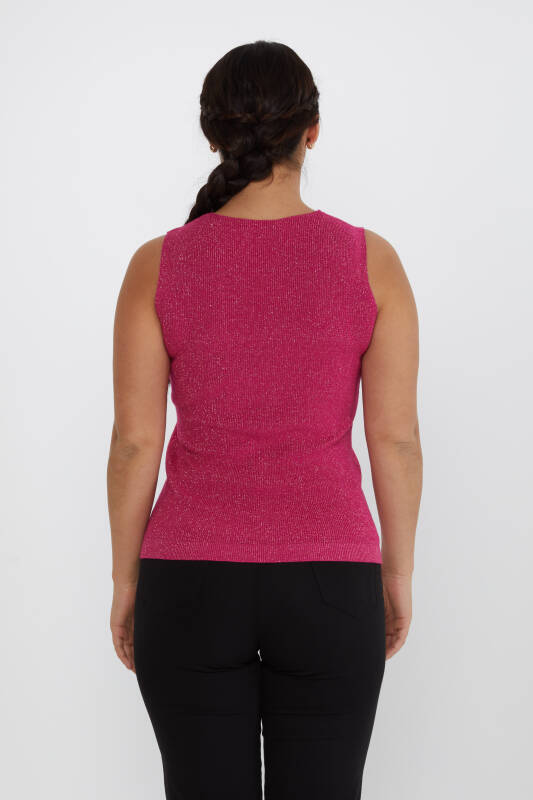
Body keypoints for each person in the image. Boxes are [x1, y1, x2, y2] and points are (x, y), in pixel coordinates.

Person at [107, 39, 422, 800]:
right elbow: (395, 438)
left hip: (188, 581)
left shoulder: (158, 263)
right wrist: (397, 573)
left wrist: (125, 581)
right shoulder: (370, 261)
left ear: (211, 133)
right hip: (330, 581)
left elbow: (136, 442)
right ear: (312, 130)